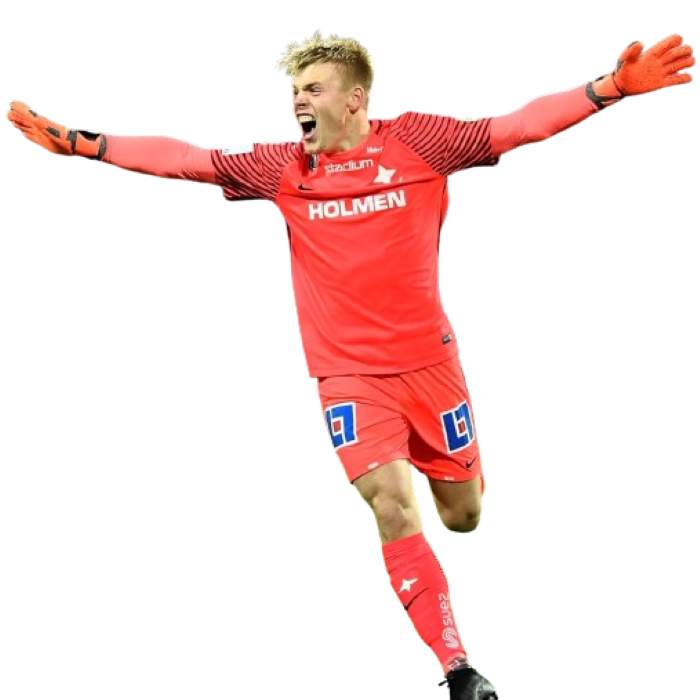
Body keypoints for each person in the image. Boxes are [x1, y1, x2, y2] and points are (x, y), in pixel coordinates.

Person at [6, 29, 694, 700]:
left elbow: (516, 127)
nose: (297, 102)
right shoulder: (283, 167)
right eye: (294, 91)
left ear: (356, 97)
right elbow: (187, 158)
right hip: (347, 376)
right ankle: (456, 665)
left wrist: (608, 89)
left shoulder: (420, 142)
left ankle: (449, 521)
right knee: (392, 505)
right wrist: (87, 143)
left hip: (429, 365)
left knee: (464, 517)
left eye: (312, 88)